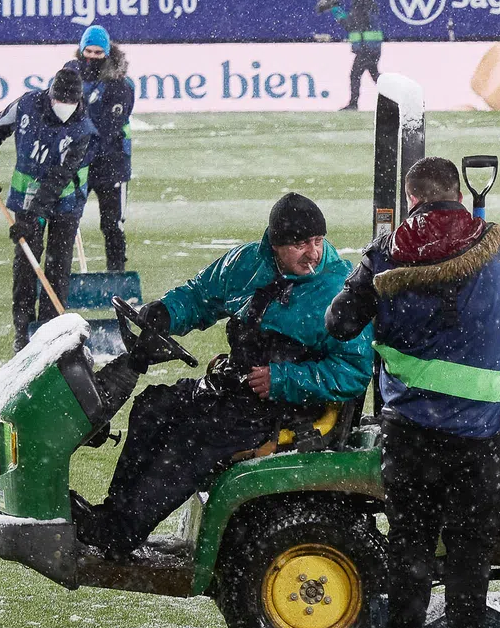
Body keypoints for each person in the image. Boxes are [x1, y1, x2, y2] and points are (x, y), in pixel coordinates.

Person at [71, 193, 373, 561]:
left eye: (316, 241)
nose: (311, 253)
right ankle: (117, 514)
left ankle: (121, 531)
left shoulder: (338, 291)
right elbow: (200, 296)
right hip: (233, 390)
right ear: (275, 244)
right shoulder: (246, 264)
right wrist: (166, 313)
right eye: (299, 244)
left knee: (190, 437)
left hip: (282, 408)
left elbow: (353, 371)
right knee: (153, 407)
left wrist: (283, 379)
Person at [325, 157, 500, 628]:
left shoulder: (387, 253)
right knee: (469, 552)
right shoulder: (498, 245)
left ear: (412, 197)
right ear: (458, 194)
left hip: (411, 429)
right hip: (479, 431)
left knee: (411, 548)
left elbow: (338, 322)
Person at [0, 68, 96, 352]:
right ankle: (23, 329)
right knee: (26, 264)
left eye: (71, 103)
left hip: (66, 200)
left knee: (57, 264)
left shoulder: (83, 130)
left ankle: (50, 333)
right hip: (27, 195)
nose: (65, 109)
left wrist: (36, 215)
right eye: (60, 102)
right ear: (51, 96)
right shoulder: (26, 105)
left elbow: (59, 177)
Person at [61, 23, 134, 272]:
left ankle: (117, 275)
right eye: (88, 52)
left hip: (112, 163)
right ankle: (60, 276)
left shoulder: (120, 85)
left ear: (107, 53)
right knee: (66, 222)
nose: (92, 57)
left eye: (97, 53)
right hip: (77, 163)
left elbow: (109, 127)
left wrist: (82, 146)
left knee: (112, 224)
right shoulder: (67, 78)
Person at [318, 0, 384, 112]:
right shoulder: (371, 4)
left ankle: (353, 104)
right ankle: (395, 98)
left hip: (365, 48)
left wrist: (336, 10)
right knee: (375, 76)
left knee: (355, 75)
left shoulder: (359, 4)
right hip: (374, 47)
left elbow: (351, 25)